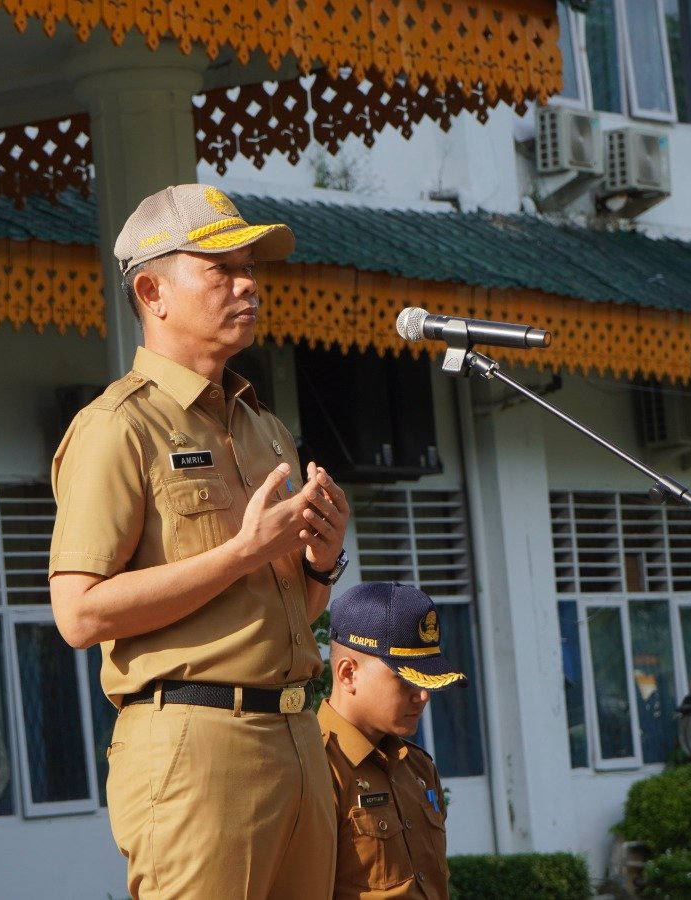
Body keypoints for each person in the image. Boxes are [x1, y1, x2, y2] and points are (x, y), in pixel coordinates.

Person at [49, 183, 351, 899]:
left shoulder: (263, 428)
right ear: (152, 290)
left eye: (252, 267)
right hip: (195, 743)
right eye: (221, 269)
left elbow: (288, 615)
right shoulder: (119, 427)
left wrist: (323, 561)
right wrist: (240, 553)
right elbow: (80, 615)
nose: (248, 284)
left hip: (297, 733)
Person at [320, 581, 467, 900]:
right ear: (348, 674)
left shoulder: (418, 767)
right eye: (405, 680)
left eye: (426, 680)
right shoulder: (313, 767)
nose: (423, 695)